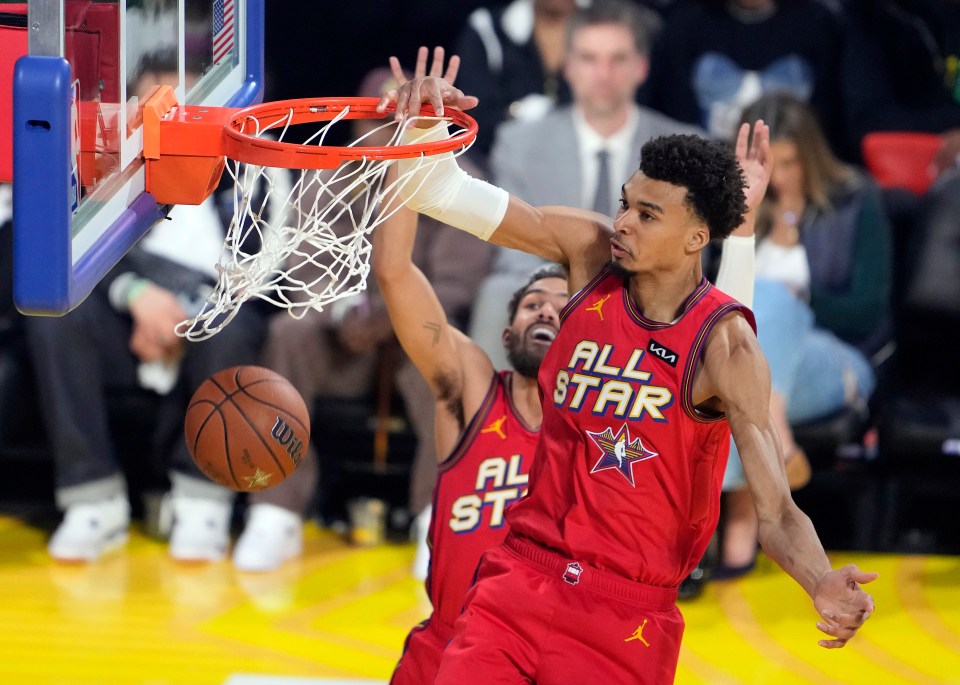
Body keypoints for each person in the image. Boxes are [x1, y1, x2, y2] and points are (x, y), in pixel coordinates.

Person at [380, 64, 877, 682]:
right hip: (520, 579)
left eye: (647, 214)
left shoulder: (728, 348)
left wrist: (820, 580)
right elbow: (440, 193)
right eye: (624, 204)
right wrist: (423, 127)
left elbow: (775, 511)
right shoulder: (586, 252)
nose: (622, 223)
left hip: (625, 617)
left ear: (699, 235)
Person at [231, 64, 495, 573]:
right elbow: (305, 270)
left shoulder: (459, 180)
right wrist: (349, 313)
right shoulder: (327, 176)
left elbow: (458, 285)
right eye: (368, 119)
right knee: (290, 333)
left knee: (446, 351)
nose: (376, 131)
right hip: (345, 342)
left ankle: (433, 518)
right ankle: (275, 512)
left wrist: (393, 316)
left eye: (391, 119)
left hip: (416, 339)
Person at [470, 0, 700, 370]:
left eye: (618, 59)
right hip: (549, 281)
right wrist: (570, 289)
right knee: (498, 293)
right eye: (590, 58)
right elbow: (512, 250)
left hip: (649, 289)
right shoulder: (520, 142)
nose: (603, 74)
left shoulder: (685, 148)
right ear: (569, 66)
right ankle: (492, 420)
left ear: (641, 67)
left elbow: (692, 250)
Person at [646, 0, 845, 152]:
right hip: (703, 174)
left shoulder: (817, 24)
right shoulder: (685, 23)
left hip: (797, 170)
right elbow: (671, 116)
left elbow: (830, 116)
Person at [452, 0, 583, 160]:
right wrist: (516, 114)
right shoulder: (488, 29)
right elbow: (473, 123)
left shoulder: (613, 29)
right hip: (499, 169)